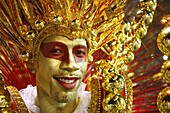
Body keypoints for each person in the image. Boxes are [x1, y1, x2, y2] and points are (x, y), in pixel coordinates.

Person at [0, 0, 157, 113]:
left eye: (79, 53)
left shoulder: (110, 105)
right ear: (34, 60)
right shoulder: (9, 106)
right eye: (56, 51)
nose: (70, 64)